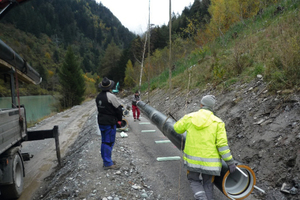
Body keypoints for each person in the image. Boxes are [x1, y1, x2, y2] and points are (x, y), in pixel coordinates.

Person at [173, 95, 236, 200]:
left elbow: (177, 128)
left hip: (192, 161)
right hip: (211, 164)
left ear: (201, 105)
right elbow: (222, 145)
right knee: (208, 184)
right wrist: (230, 162)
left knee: (194, 180)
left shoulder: (190, 117)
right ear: (212, 107)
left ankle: (201, 197)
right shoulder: (218, 122)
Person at [96, 77, 123, 170]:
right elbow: (118, 109)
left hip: (101, 121)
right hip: (109, 122)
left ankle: (106, 160)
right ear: (110, 87)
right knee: (109, 141)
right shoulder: (111, 96)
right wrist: (119, 119)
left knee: (104, 141)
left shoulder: (98, 97)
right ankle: (108, 163)